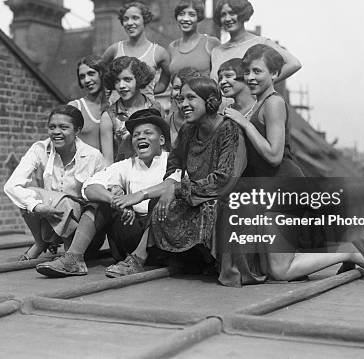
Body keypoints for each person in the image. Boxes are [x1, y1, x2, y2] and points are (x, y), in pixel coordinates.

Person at [222, 44, 364, 285]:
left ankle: (348, 251)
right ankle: (344, 250)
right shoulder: (256, 103)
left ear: (274, 75)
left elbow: (274, 155)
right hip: (269, 190)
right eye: (248, 72)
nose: (251, 77)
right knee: (271, 266)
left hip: (283, 187)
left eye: (258, 71)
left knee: (280, 271)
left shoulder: (273, 103)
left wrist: (245, 125)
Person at [35, 108, 173, 278]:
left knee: (162, 200)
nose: (141, 137)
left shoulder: (172, 161)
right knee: (99, 202)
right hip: (130, 233)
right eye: (136, 135)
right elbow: (90, 186)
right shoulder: (127, 164)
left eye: (147, 133)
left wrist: (139, 195)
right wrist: (117, 201)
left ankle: (138, 260)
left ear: (161, 140)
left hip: (161, 240)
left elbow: (175, 184)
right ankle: (74, 259)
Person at [149, 77, 247, 281]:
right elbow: (174, 162)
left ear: (210, 101)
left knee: (210, 208)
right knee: (157, 204)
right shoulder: (188, 129)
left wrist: (178, 190)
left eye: (191, 98)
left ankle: (210, 261)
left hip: (226, 196)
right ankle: (186, 258)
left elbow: (224, 178)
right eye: (181, 98)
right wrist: (172, 184)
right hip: (194, 193)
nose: (183, 104)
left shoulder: (229, 129)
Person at [4, 105, 106, 261]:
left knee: (64, 201)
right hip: (50, 218)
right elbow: (11, 185)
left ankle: (70, 254)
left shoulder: (93, 156)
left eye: (63, 127)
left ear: (77, 130)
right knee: (29, 195)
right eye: (52, 127)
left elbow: (98, 198)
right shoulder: (39, 149)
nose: (56, 132)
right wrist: (36, 206)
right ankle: (39, 243)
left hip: (83, 227)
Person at [210, 0, 302, 81]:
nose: (227, 19)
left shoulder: (261, 43)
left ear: (242, 14)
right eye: (223, 15)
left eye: (232, 13)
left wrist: (263, 84)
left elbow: (294, 64)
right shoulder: (216, 51)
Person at [100, 56, 162, 164]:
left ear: (139, 79)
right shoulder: (108, 117)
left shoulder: (155, 108)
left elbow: (164, 148)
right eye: (117, 81)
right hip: (124, 176)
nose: (121, 86)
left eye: (127, 80)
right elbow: (108, 161)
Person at [101, 2, 171, 99]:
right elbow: (98, 71)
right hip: (116, 110)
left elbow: (166, 78)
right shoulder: (114, 49)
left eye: (135, 18)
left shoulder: (159, 52)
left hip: (144, 111)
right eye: (126, 19)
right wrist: (109, 93)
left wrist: (148, 91)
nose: (129, 23)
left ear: (145, 20)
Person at [168, 0, 220, 78]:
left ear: (198, 17)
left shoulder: (211, 42)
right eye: (181, 14)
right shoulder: (172, 46)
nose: (185, 19)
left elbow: (220, 76)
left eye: (191, 15)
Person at [67, 55, 108, 151]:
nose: (87, 80)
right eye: (82, 76)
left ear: (102, 73)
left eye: (91, 73)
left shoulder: (116, 106)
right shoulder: (75, 107)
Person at [166, 67, 201, 145]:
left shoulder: (204, 118)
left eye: (185, 88)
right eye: (176, 88)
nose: (180, 93)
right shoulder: (169, 120)